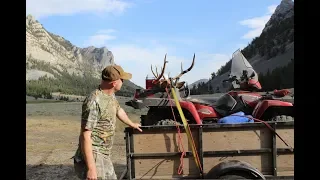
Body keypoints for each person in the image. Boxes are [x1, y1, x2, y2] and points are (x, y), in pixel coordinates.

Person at [73, 64, 143, 180]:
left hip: (104, 155)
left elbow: (118, 110)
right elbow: (85, 136)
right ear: (114, 83)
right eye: (122, 80)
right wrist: (91, 168)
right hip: (94, 155)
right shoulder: (94, 101)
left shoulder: (110, 95)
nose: (123, 82)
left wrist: (132, 124)